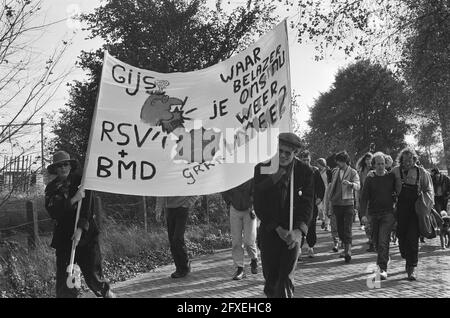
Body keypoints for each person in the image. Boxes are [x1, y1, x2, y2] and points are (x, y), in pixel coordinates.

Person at [44, 150, 114, 298]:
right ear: (55, 169)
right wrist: (74, 199)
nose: (63, 168)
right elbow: (53, 210)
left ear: (70, 165)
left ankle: (105, 293)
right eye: (59, 166)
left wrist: (80, 230)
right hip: (64, 237)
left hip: (86, 236)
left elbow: (88, 208)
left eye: (65, 164)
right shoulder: (51, 188)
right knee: (67, 275)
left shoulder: (81, 182)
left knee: (93, 274)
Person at [253, 132, 314, 298]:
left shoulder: (305, 171)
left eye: (288, 152)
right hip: (270, 231)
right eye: (280, 150)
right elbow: (258, 203)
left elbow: (307, 204)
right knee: (271, 280)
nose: (283, 155)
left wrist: (298, 231)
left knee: (286, 278)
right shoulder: (262, 168)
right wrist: (276, 227)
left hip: (292, 234)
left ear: (295, 153)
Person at [392, 148, 434, 281]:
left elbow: (429, 190)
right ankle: (406, 256)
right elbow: (388, 187)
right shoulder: (394, 172)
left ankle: (412, 268)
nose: (408, 162)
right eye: (405, 160)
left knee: (413, 238)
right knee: (402, 237)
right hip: (401, 210)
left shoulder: (422, 172)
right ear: (401, 160)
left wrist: (424, 207)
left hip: (415, 210)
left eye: (411, 159)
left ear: (415, 159)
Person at [360, 152, 396, 280]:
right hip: (373, 214)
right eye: (378, 164)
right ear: (373, 165)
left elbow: (397, 192)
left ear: (385, 164)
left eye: (382, 163)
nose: (381, 166)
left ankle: (382, 268)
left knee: (383, 241)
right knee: (376, 242)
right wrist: (362, 215)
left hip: (388, 214)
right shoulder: (370, 178)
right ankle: (384, 257)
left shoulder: (391, 177)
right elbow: (364, 198)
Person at [222, 179, 258, 280]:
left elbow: (257, 188)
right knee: (236, 241)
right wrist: (229, 201)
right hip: (235, 208)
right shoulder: (232, 173)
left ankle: (254, 259)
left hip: (249, 209)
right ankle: (240, 268)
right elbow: (224, 187)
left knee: (249, 241)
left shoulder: (250, 171)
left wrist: (253, 203)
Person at [328, 151, 360, 263]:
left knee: (347, 229)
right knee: (340, 229)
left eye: (339, 161)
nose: (337, 163)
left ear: (344, 161)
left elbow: (358, 185)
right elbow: (332, 186)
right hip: (337, 204)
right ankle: (345, 247)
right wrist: (330, 202)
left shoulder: (352, 172)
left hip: (348, 204)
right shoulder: (335, 171)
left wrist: (350, 184)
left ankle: (348, 252)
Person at [156, 196, 197, 278]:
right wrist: (158, 209)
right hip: (169, 209)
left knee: (177, 238)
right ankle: (179, 269)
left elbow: (197, 189)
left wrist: (188, 203)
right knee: (172, 241)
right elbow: (161, 193)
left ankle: (185, 266)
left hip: (182, 208)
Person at [298, 151, 325, 258]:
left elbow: (320, 187)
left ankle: (310, 247)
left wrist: (319, 198)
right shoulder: (296, 171)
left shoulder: (315, 171)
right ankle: (298, 249)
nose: (305, 162)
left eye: (307, 160)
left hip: (311, 204)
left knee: (311, 225)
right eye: (303, 160)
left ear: (310, 159)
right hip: (299, 203)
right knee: (298, 226)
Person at [356, 152, 374, 251]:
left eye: (370, 159)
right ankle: (370, 239)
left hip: (375, 198)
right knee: (366, 220)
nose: (368, 161)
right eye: (367, 159)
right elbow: (359, 187)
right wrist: (358, 200)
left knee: (374, 220)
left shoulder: (375, 170)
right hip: (365, 198)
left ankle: (373, 240)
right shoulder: (361, 171)